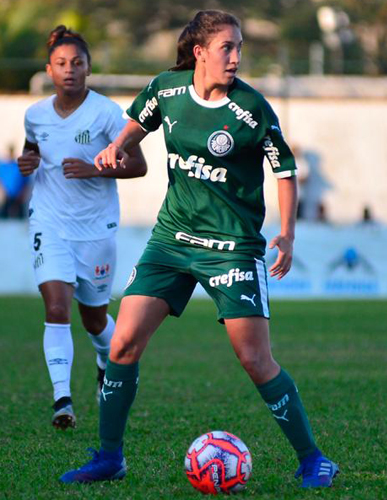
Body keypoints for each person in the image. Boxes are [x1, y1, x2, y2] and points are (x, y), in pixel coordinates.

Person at [58, 10, 338, 488]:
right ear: (199, 52)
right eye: (227, 47)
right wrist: (117, 148)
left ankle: (314, 459)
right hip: (172, 239)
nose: (236, 57)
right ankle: (109, 458)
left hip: (232, 248)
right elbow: (134, 126)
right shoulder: (166, 90)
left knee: (254, 360)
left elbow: (286, 172)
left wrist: (288, 233)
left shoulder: (251, 108)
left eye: (240, 47)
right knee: (123, 342)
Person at [19, 26, 147, 430]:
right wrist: (27, 162)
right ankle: (62, 401)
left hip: (95, 228)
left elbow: (139, 165)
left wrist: (95, 168)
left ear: (89, 68)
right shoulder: (35, 114)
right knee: (57, 309)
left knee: (94, 319)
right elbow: (33, 149)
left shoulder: (107, 113)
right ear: (49, 69)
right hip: (49, 221)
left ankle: (104, 360)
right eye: (61, 64)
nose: (69, 70)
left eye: (77, 63)